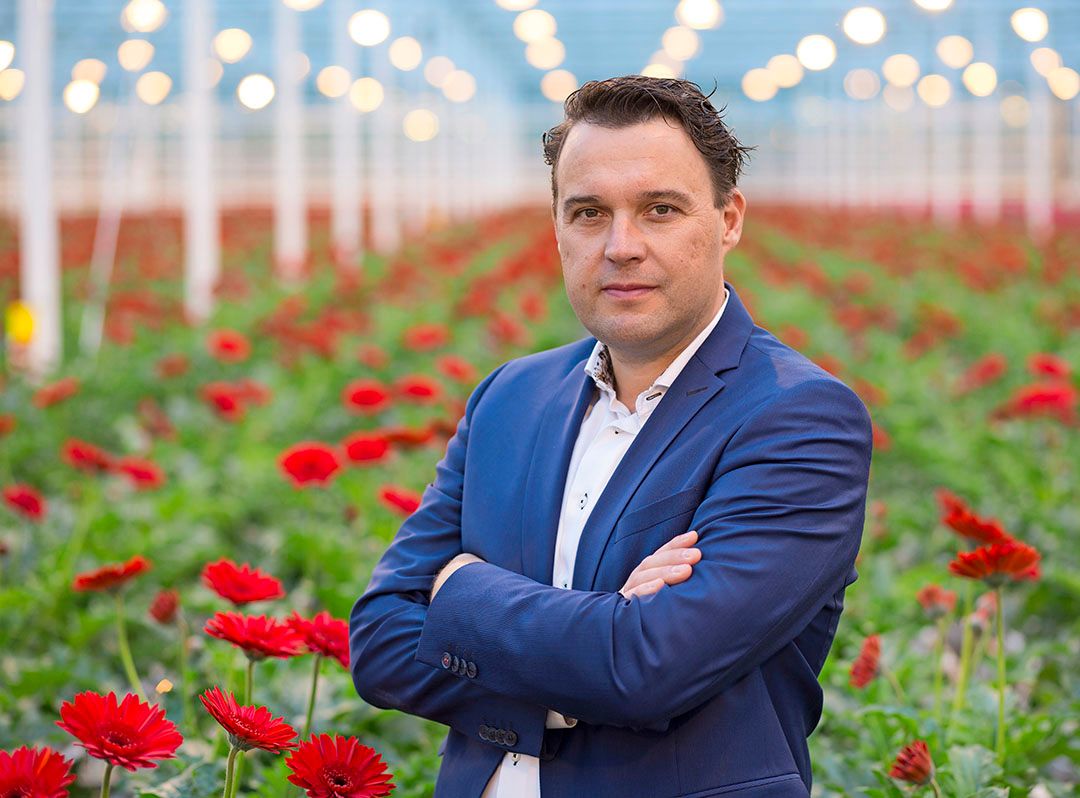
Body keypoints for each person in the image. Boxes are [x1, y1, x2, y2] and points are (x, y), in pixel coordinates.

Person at [349, 75, 873, 798]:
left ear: (728, 220)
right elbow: (378, 640)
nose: (620, 246)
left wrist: (459, 593)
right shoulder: (510, 398)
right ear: (558, 226)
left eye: (660, 209)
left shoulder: (798, 418)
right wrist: (599, 641)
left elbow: (648, 668)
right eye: (590, 212)